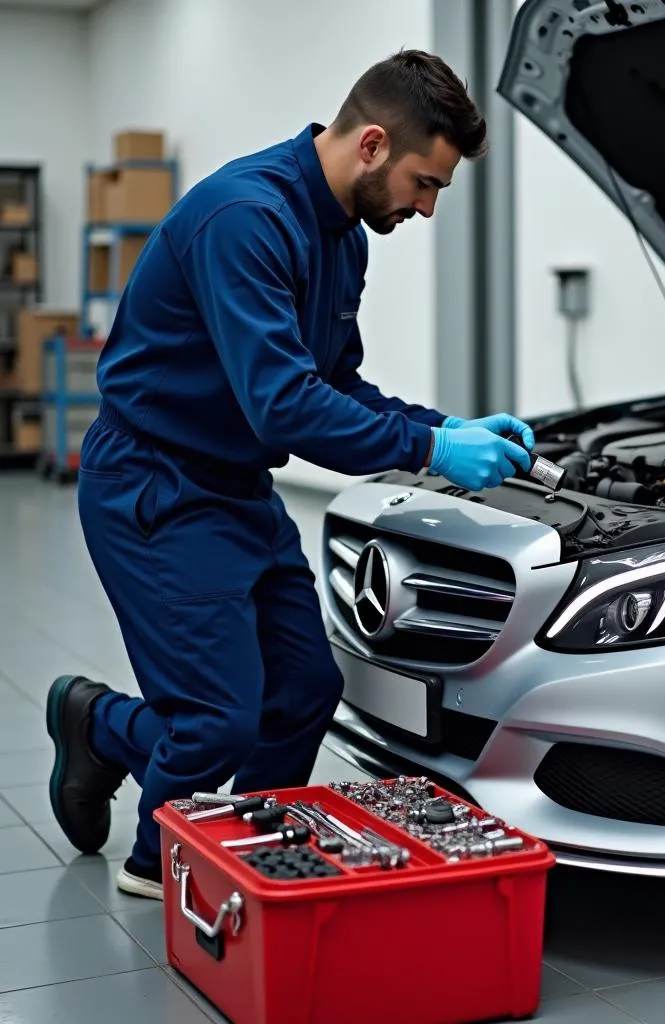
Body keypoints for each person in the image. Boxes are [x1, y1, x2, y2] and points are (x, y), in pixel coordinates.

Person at [45, 50, 535, 901]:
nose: (425, 208)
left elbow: (332, 383)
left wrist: (440, 425)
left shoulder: (342, 238)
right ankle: (153, 840)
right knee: (216, 720)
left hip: (234, 485)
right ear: (373, 144)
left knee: (306, 689)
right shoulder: (246, 218)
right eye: (427, 183)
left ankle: (247, 852)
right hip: (154, 483)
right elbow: (286, 407)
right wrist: (433, 455)